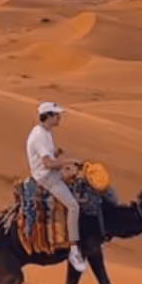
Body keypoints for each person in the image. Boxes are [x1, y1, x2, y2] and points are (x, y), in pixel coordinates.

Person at [27, 102, 86, 271]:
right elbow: (47, 164)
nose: (59, 118)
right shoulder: (39, 136)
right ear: (49, 116)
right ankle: (74, 251)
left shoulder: (45, 132)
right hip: (46, 178)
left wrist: (57, 154)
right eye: (57, 115)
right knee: (73, 206)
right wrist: (68, 161)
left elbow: (47, 157)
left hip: (52, 173)